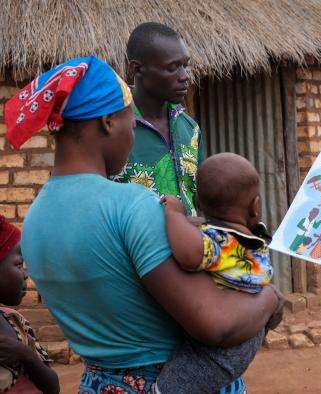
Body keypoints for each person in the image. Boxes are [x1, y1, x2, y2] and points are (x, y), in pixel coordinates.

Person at [5, 56, 282, 393]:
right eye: (129, 123)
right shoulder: (131, 205)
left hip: (99, 383)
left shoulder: (35, 218)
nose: (134, 136)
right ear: (107, 122)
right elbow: (216, 325)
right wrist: (269, 299)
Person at [157, 152, 273, 393]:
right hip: (249, 327)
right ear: (256, 206)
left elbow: (189, 255)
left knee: (169, 388)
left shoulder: (221, 243)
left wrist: (174, 214)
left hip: (222, 351)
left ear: (198, 203)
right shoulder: (250, 239)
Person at [113, 22, 204, 216]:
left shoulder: (190, 129)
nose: (184, 76)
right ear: (137, 69)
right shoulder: (112, 127)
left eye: (185, 66)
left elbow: (200, 200)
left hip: (188, 245)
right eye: (172, 68)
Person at [0, 215, 59, 394]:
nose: (26, 274)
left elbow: (53, 387)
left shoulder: (14, 320)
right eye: (19, 264)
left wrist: (25, 355)